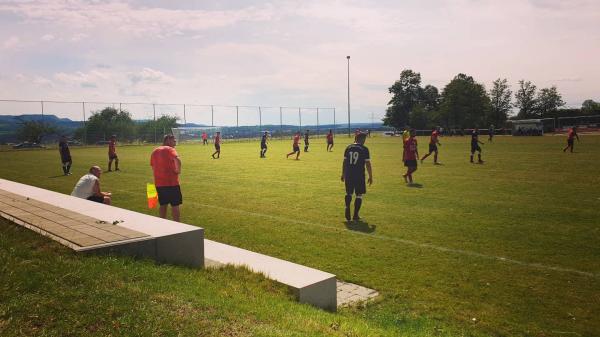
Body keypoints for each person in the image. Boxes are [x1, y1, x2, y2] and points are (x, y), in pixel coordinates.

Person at [341, 132, 373, 221]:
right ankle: (355, 215)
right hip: (359, 175)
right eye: (364, 139)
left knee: (349, 193)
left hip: (349, 173)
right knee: (359, 194)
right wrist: (370, 176)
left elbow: (344, 162)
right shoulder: (364, 149)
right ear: (362, 139)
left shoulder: (348, 147)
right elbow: (368, 163)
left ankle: (347, 207)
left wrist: (343, 173)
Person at [150, 134, 182, 222]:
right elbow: (177, 160)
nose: (175, 142)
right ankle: (177, 225)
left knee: (163, 204)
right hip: (172, 183)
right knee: (175, 205)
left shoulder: (155, 151)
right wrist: (178, 170)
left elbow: (153, 166)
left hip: (159, 183)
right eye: (173, 140)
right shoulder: (170, 149)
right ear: (167, 140)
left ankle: (162, 223)